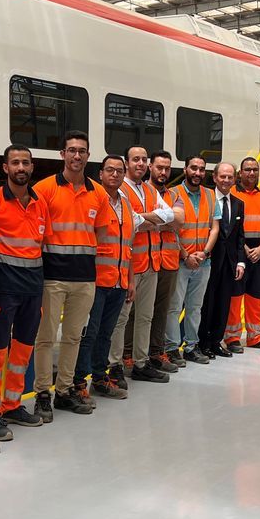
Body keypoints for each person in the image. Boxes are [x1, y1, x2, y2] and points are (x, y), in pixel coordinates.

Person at [33, 130, 110, 415]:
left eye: (82, 151)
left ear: (88, 156)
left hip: (84, 278)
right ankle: (43, 393)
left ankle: (63, 391)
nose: (77, 155)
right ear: (62, 154)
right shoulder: (44, 189)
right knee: (46, 337)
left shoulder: (97, 193)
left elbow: (100, 232)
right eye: (72, 150)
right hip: (52, 276)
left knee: (74, 337)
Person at [0, 145, 48, 437]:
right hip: (1, 290)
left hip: (32, 290)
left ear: (32, 168)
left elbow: (41, 246)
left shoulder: (40, 202)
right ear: (5, 168)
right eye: (15, 163)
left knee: (22, 352)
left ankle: (12, 404)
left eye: (26, 163)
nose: (21, 168)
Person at [112, 146, 178, 383]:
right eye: (135, 159)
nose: (140, 163)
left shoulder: (149, 189)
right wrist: (152, 219)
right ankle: (116, 365)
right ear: (127, 163)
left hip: (152, 264)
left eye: (143, 159)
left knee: (145, 317)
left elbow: (170, 215)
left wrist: (145, 218)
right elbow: (132, 221)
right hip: (131, 264)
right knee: (121, 319)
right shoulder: (120, 189)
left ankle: (141, 363)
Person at [75, 155, 135, 399]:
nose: (115, 174)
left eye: (120, 170)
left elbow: (129, 244)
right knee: (89, 334)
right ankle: (78, 382)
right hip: (96, 281)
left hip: (119, 281)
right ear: (100, 174)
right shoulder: (93, 199)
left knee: (106, 334)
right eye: (110, 170)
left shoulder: (126, 202)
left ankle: (99, 378)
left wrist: (130, 280)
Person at [165, 156, 218, 365]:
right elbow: (171, 229)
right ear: (185, 169)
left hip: (203, 262)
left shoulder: (210, 195)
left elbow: (214, 227)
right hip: (180, 262)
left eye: (202, 169)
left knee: (195, 308)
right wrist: (185, 255)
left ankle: (191, 347)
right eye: (193, 168)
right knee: (174, 306)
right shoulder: (173, 194)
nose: (197, 173)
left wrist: (203, 253)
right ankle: (171, 348)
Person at [225, 157, 260, 352]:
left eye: (255, 169)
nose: (252, 173)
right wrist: (245, 248)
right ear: (240, 173)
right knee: (235, 297)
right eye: (247, 169)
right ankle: (232, 338)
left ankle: (255, 336)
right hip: (239, 252)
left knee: (256, 296)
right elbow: (231, 227)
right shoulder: (232, 195)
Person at [196, 163, 246, 359]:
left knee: (223, 303)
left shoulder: (238, 203)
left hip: (229, 263)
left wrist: (240, 262)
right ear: (215, 177)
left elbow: (240, 237)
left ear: (235, 179)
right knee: (206, 303)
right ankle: (203, 342)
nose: (226, 180)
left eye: (230, 177)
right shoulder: (206, 200)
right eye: (222, 176)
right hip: (209, 260)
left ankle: (216, 342)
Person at [147, 151, 186, 371]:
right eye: (159, 167)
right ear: (150, 167)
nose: (163, 172)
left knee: (162, 310)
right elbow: (136, 219)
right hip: (146, 260)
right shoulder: (141, 191)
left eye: (167, 168)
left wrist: (154, 218)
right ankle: (130, 355)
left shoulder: (173, 195)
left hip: (169, 262)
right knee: (138, 313)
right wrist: (166, 218)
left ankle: (156, 352)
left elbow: (179, 221)